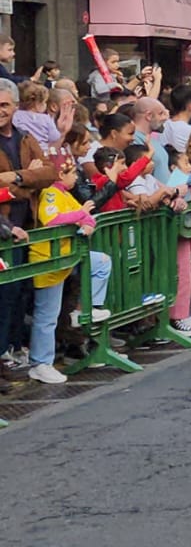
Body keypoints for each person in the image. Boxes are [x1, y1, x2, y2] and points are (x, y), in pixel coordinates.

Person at [26, 155, 112, 384]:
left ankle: (87, 308)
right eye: (72, 173)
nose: (76, 177)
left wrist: (86, 223)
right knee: (47, 315)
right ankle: (40, 362)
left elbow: (89, 216)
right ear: (60, 175)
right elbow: (51, 218)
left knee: (102, 262)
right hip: (48, 261)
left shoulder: (66, 195)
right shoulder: (51, 193)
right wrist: (80, 214)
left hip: (67, 258)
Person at [0, 78, 60, 369]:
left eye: (4, 105)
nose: (0, 110)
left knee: (21, 292)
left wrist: (17, 178)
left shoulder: (24, 137)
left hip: (29, 226)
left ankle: (14, 346)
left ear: (15, 107)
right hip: (5, 227)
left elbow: (50, 173)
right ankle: (4, 353)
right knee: (5, 295)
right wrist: (27, 180)